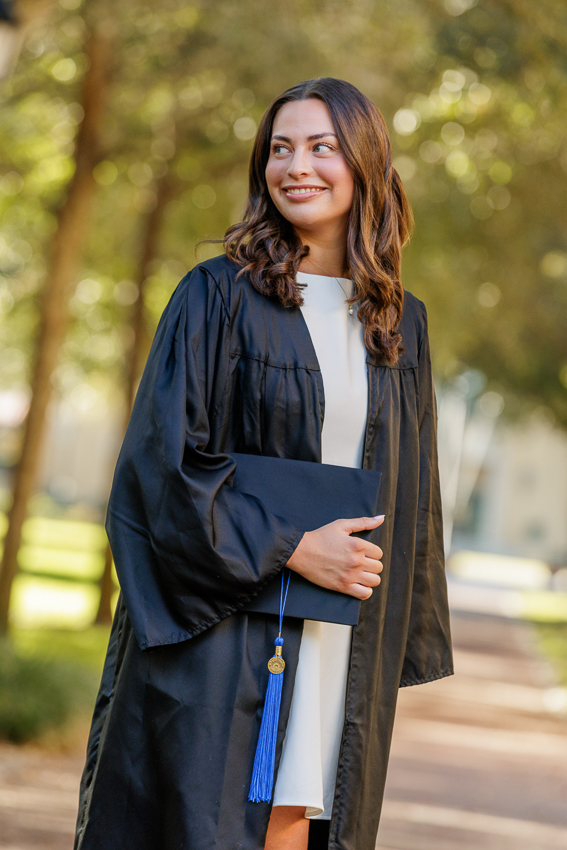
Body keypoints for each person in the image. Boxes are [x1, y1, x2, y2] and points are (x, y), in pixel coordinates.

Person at [74, 77, 453, 850]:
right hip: (221, 621)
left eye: (321, 147)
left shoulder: (398, 322)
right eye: (280, 148)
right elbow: (160, 468)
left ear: (366, 163)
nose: (296, 165)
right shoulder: (217, 296)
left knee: (302, 828)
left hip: (334, 637)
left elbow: (414, 493)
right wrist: (290, 548)